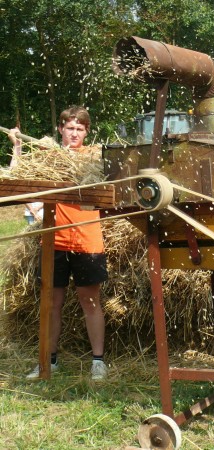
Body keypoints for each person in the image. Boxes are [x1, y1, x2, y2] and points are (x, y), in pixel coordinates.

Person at [10, 106, 108, 380]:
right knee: (52, 303)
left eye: (80, 129)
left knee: (91, 301)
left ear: (86, 132)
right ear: (61, 129)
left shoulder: (94, 158)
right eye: (70, 128)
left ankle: (98, 362)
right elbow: (17, 179)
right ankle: (48, 361)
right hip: (55, 241)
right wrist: (18, 146)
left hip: (88, 240)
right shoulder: (50, 157)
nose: (74, 133)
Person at [8, 130, 44, 225]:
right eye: (40, 149)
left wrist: (37, 209)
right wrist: (17, 144)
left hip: (47, 214)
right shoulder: (31, 170)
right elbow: (14, 174)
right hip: (31, 213)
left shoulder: (56, 169)